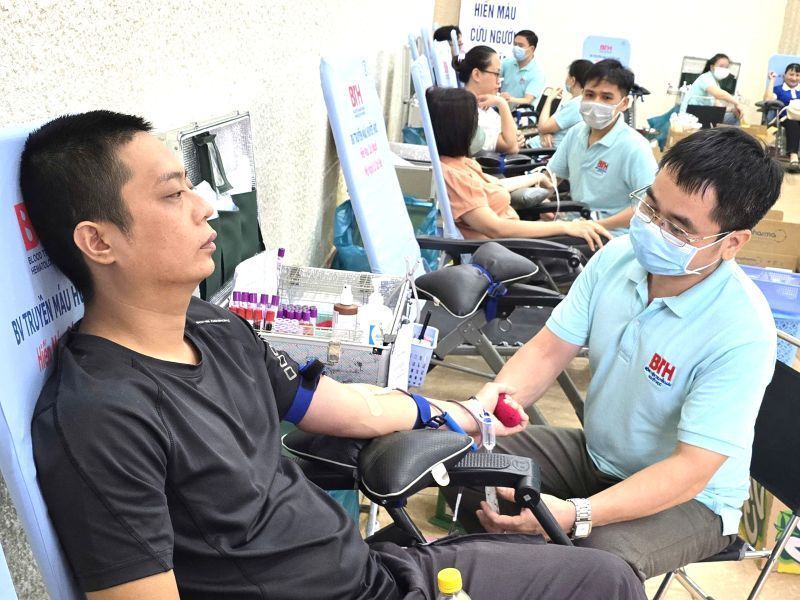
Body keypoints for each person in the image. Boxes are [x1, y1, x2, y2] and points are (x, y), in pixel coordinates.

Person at [22, 111, 646, 600]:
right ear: (98, 241)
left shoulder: (214, 326)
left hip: (377, 573)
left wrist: (446, 413)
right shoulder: (101, 416)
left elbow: (339, 406)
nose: (205, 206)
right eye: (171, 195)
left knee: (604, 578)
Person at [447, 127, 783, 582]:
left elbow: (691, 470)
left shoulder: (741, 330)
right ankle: (504, 569)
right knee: (462, 464)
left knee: (591, 566)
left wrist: (576, 514)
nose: (652, 228)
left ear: (732, 242)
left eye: (678, 227)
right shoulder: (617, 260)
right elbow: (548, 350)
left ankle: (524, 569)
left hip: (691, 501)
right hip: (596, 455)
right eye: (650, 206)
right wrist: (490, 405)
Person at [428, 87, 611, 251]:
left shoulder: (461, 162)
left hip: (513, 241)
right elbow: (496, 228)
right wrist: (564, 227)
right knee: (595, 246)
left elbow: (496, 185)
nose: (477, 130)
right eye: (474, 123)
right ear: (458, 129)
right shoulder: (452, 175)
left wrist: (536, 178)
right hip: (507, 251)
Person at [547, 59, 658, 235]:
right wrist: (541, 202)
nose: (596, 103)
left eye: (606, 97)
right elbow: (552, 177)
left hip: (612, 233)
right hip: (574, 222)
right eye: (589, 95)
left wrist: (599, 225)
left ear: (623, 103)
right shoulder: (576, 132)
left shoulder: (635, 147)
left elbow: (648, 207)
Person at [454, 45, 522, 154]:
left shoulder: (484, 105)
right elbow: (511, 146)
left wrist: (517, 136)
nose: (499, 81)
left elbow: (514, 137)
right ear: (476, 74)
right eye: (496, 74)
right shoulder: (467, 113)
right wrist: (502, 103)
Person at [528, 59, 593, 149]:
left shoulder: (576, 104)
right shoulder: (581, 102)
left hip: (539, 151)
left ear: (573, 80)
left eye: (568, 76)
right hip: (542, 146)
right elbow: (548, 128)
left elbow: (542, 127)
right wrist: (546, 132)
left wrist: (549, 99)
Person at [681, 53, 745, 125]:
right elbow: (719, 94)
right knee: (733, 119)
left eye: (726, 67)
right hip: (691, 116)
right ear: (712, 67)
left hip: (702, 114)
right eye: (721, 66)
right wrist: (737, 103)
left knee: (734, 115)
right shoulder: (705, 78)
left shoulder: (715, 83)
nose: (724, 69)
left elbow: (717, 107)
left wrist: (732, 110)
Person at [764, 62, 800, 171]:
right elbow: (768, 100)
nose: (794, 78)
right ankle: (793, 157)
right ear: (785, 75)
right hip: (785, 119)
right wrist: (772, 80)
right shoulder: (779, 89)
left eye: (797, 75)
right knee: (793, 124)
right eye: (791, 74)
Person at [499, 30, 546, 107]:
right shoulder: (507, 62)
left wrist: (508, 98)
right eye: (515, 44)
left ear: (532, 49)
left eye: (520, 45)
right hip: (502, 110)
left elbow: (527, 100)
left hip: (523, 115)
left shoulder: (538, 73)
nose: (516, 48)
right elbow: (494, 76)